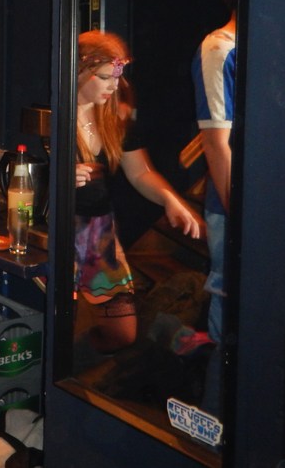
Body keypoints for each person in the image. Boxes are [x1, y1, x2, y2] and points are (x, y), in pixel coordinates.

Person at [74, 30, 201, 353]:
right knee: (59, 318)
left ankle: (77, 361)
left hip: (98, 233)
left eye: (117, 77)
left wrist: (170, 199)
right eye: (105, 77)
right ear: (79, 72)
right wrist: (59, 176)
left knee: (123, 332)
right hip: (57, 230)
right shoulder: (50, 118)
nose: (114, 86)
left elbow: (141, 172)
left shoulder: (114, 121)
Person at [192, 0, 237, 416]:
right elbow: (216, 142)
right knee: (230, 317)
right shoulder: (219, 48)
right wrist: (241, 216)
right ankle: (215, 432)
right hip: (235, 206)